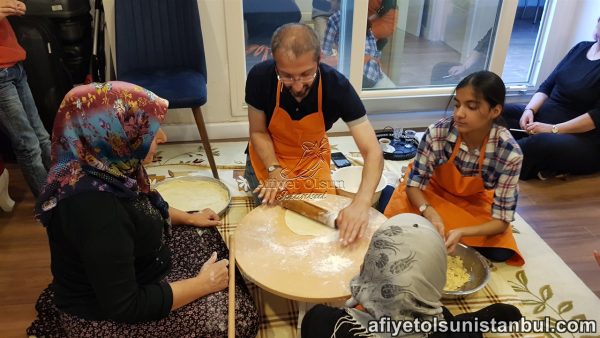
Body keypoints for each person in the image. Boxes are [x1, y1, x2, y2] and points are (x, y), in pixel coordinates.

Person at [27, 82, 259, 337]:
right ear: (113, 135)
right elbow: (127, 306)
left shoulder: (104, 165)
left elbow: (142, 208)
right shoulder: (97, 213)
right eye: (150, 132)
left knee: (209, 239)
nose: (162, 138)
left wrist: (190, 218)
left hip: (132, 268)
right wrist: (202, 285)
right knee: (236, 316)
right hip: (103, 316)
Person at [244, 23, 384, 246]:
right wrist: (274, 169)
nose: (297, 86)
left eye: (306, 74)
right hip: (268, 157)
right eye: (287, 76)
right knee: (271, 224)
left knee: (323, 223)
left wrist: (361, 202)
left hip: (311, 157)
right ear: (275, 62)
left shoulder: (337, 87)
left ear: (319, 59)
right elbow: (258, 132)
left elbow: (373, 151)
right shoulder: (259, 77)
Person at [301, 214, 523, 338]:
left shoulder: (318, 321)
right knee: (456, 324)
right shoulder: (440, 332)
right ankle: (481, 320)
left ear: (364, 268)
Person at [383, 71, 525, 266]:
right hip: (431, 193)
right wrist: (429, 212)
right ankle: (389, 189)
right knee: (392, 221)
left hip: (473, 203)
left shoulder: (509, 153)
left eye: (471, 106)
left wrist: (461, 232)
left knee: (500, 251)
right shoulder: (438, 132)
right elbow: (414, 186)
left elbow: (502, 220)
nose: (459, 113)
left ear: (495, 111)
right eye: (457, 104)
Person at [502, 17, 600, 180]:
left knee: (538, 144)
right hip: (545, 119)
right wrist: (529, 110)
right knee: (499, 112)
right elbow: (548, 85)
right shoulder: (581, 48)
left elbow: (596, 117)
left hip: (581, 138)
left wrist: (553, 129)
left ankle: (490, 161)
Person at [0, 0, 51, 197]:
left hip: (14, 66)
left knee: (41, 136)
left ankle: (63, 190)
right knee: (28, 144)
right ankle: (48, 205)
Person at [321, 0, 385, 88]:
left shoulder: (335, 18)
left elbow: (325, 51)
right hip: (373, 77)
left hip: (358, 77)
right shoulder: (361, 15)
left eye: (332, 1)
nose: (330, 3)